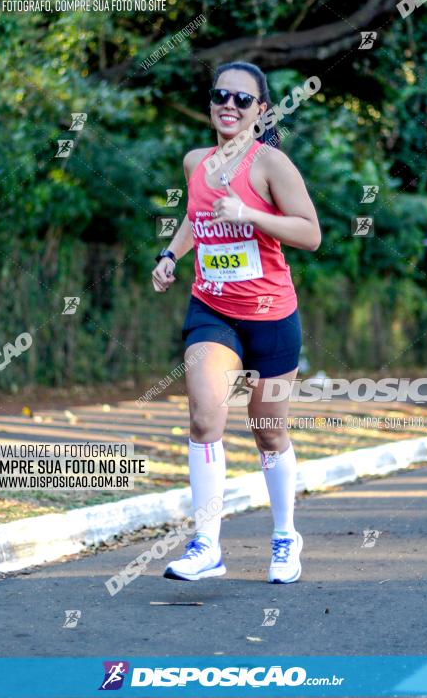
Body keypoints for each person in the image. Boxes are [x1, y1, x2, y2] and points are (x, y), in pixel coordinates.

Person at [151, 60, 321, 583]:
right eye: (221, 95)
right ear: (210, 104)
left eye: (243, 99)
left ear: (261, 111)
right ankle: (207, 544)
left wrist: (250, 214)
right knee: (205, 416)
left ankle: (285, 537)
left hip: (271, 316)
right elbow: (196, 218)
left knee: (269, 432)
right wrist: (171, 255)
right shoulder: (195, 161)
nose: (230, 104)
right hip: (213, 310)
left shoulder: (271, 165)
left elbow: (310, 233)